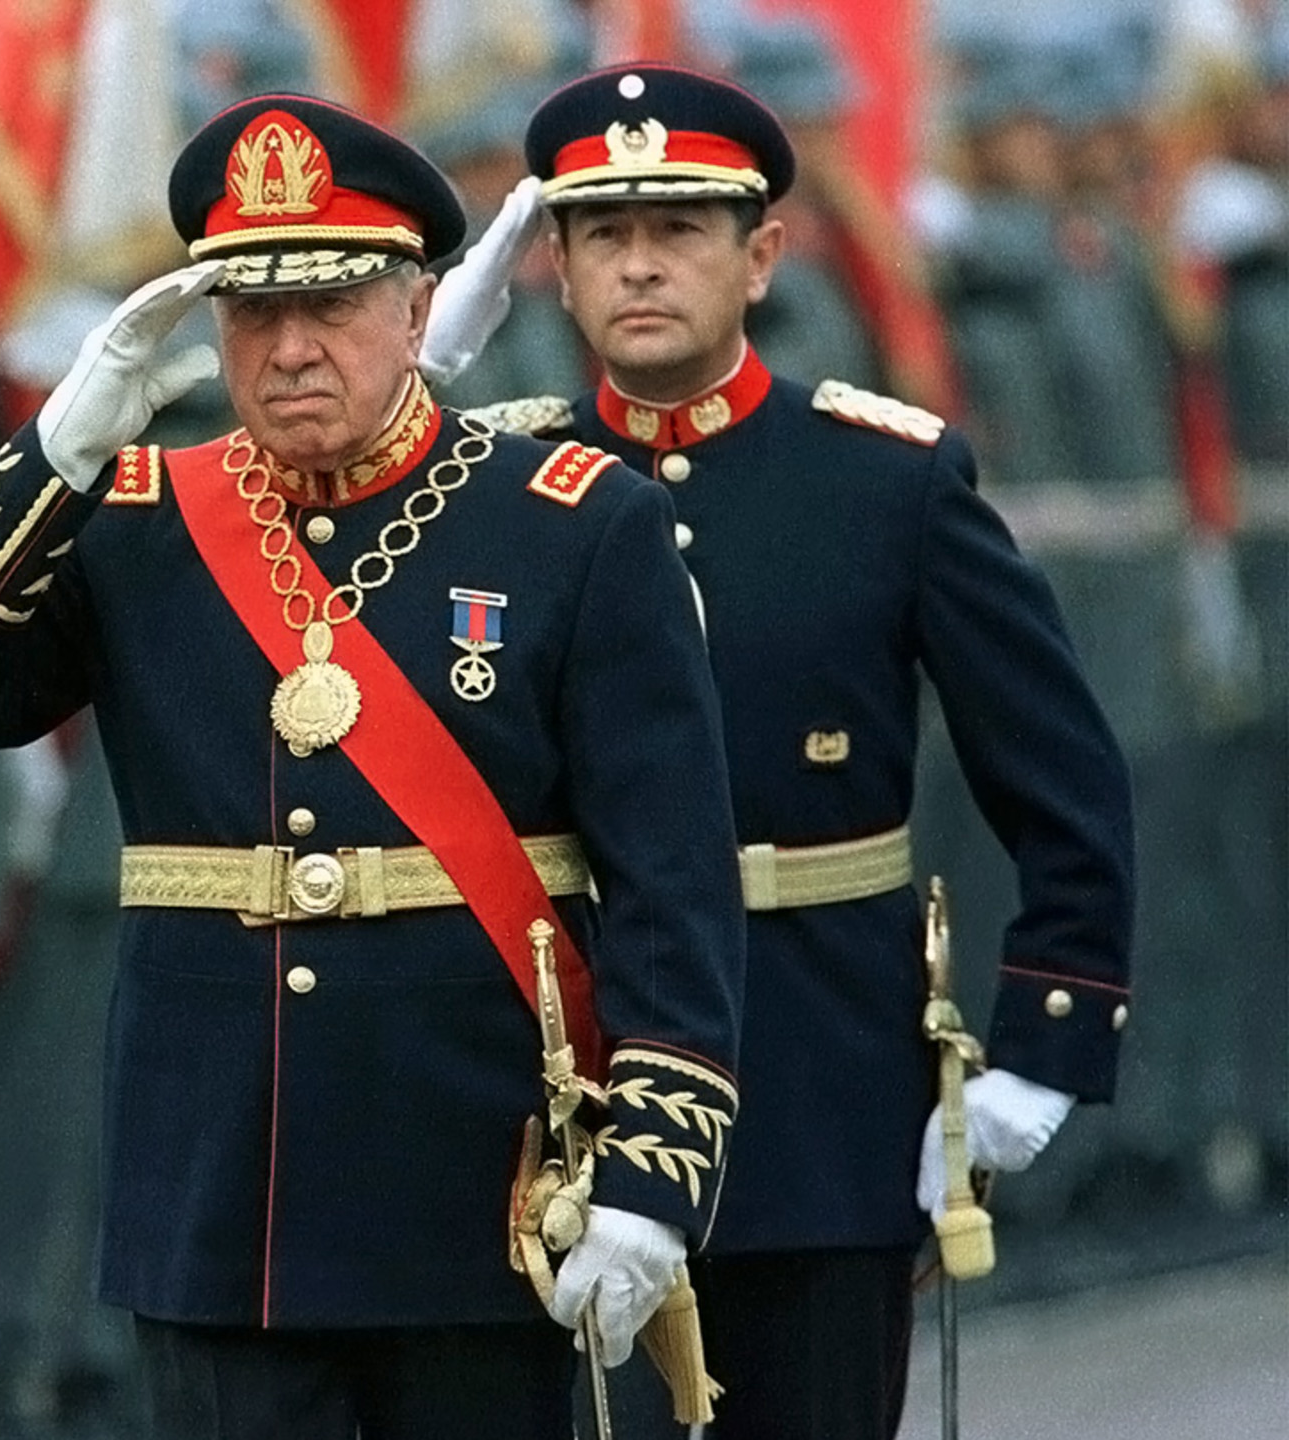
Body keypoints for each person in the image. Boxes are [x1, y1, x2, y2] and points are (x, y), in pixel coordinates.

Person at [0, 93, 746, 1440]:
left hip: (475, 1186)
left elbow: (673, 881)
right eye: (251, 314)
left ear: (416, 307)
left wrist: (652, 1175)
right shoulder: (144, 520)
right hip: (226, 1200)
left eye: (332, 304)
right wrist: (55, 452)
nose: (288, 350)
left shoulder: (569, 523)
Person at [420, 63, 1136, 1440]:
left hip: (817, 1086)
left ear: (762, 257)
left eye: (679, 231)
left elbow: (1062, 772)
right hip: (568, 1089)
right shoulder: (493, 481)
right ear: (552, 269)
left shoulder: (886, 479)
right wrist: (421, 371)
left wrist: (1049, 1041)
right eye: (603, 235)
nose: (640, 266)